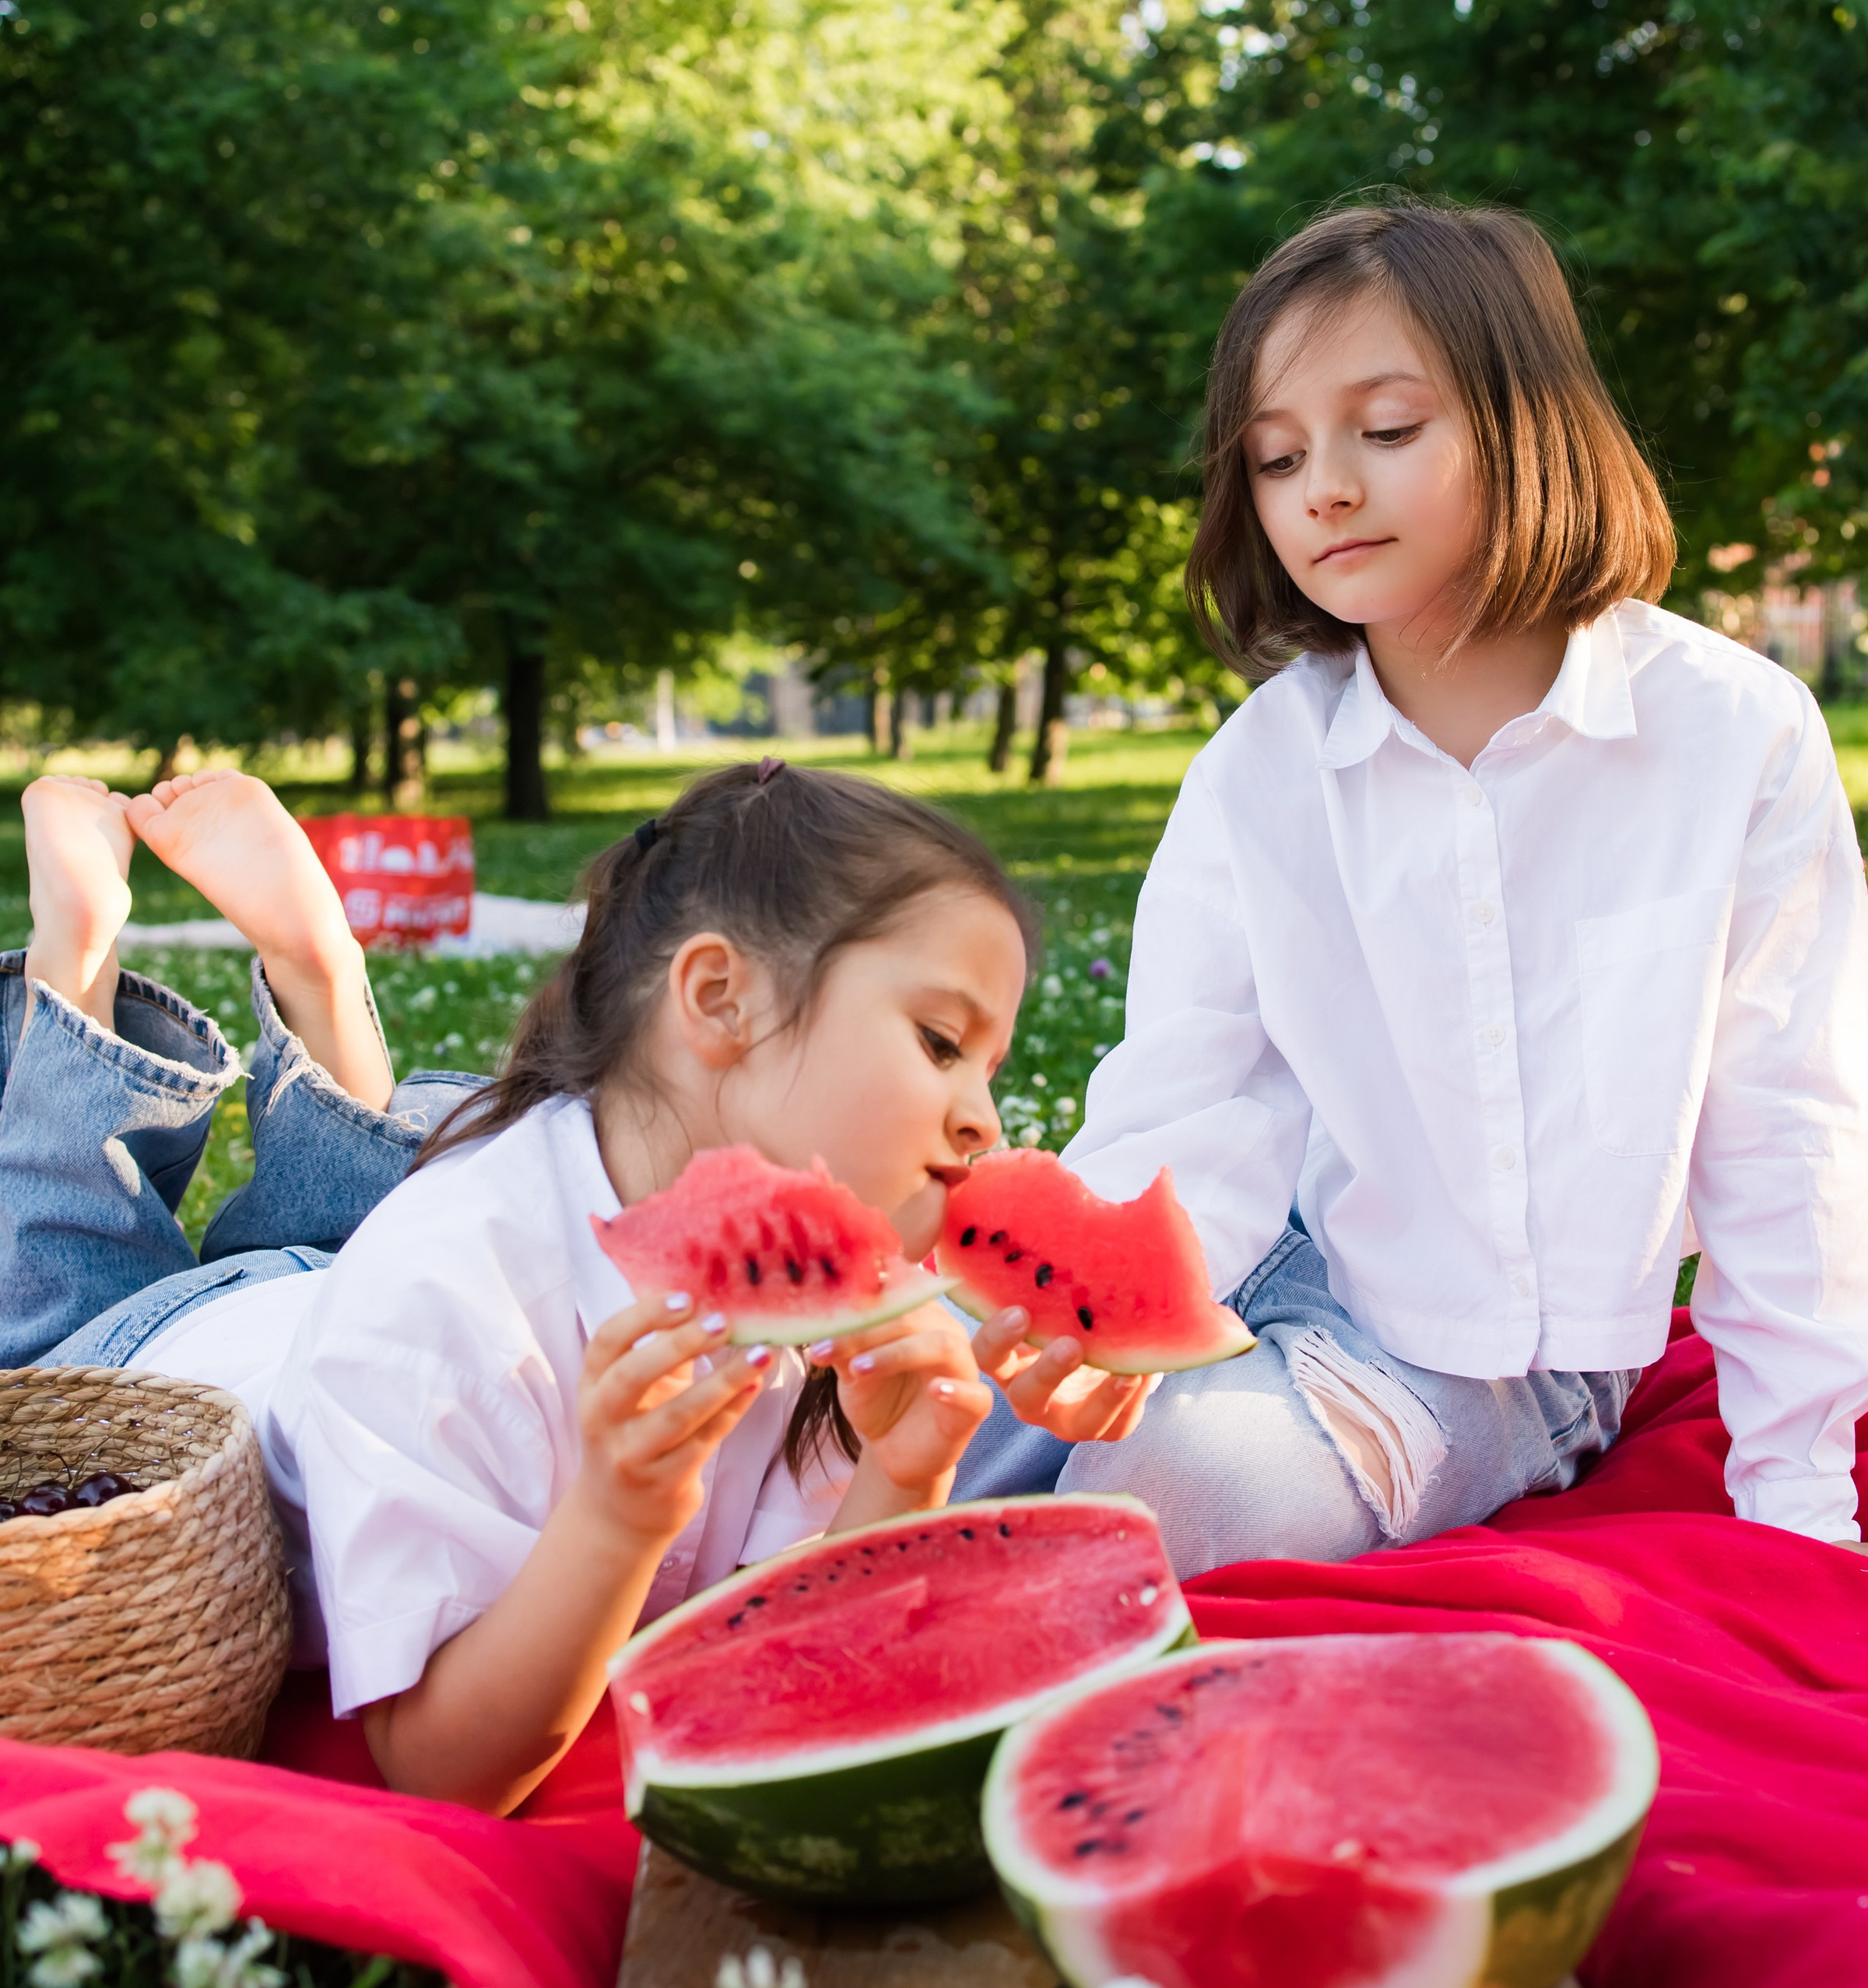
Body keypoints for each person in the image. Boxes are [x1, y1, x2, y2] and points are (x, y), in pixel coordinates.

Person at [955, 197, 1868, 1596]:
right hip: (1266, 1266)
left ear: (1528, 423)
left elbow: (1795, 1127)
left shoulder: (1732, 731)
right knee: (893, 1409)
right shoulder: (1257, 768)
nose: (1322, 485)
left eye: (1385, 432)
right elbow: (1195, 1105)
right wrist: (1077, 1328)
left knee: (1165, 1496)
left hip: (1505, 1360)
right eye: (1276, 454)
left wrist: (1796, 1508)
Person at [4, 761, 1151, 1811]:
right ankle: (86, 955)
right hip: (175, 1361)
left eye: (992, 1069)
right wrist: (617, 1519)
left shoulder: (812, 1280)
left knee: (366, 1206)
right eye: (943, 1043)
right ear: (718, 998)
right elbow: (443, 1769)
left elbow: (782, 1645)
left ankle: (321, 971)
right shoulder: (449, 1299)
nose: (986, 1123)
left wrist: (906, 1471)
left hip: (343, 1296)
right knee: (63, 1268)